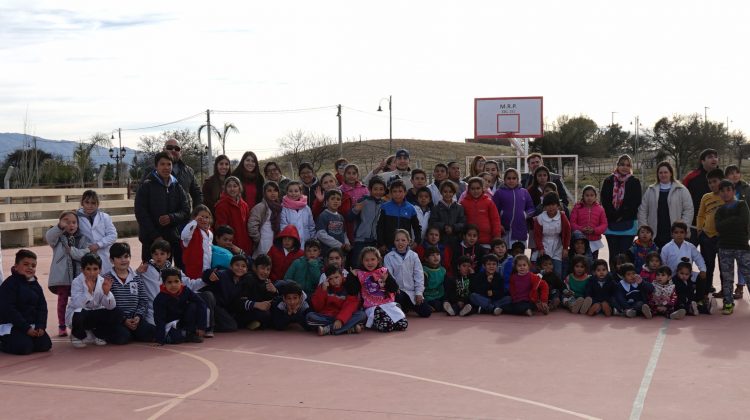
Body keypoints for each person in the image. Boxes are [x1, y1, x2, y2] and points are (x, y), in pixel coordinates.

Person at [134, 151, 190, 264]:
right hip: (151, 241)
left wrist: (172, 217)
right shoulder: (147, 186)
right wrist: (155, 236)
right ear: (156, 166)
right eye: (162, 164)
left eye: (169, 164)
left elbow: (186, 210)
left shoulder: (177, 186)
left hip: (171, 239)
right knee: (151, 276)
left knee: (171, 276)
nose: (166, 167)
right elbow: (141, 213)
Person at [46, 210, 91, 337]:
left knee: (79, 301)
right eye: (67, 222)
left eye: (74, 222)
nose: (71, 225)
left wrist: (72, 251)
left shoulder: (82, 238)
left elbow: (85, 253)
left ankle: (78, 325)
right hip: (63, 276)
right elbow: (49, 236)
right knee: (62, 301)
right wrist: (59, 227)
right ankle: (61, 325)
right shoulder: (57, 238)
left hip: (78, 275)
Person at [0, 250, 52, 355]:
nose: (30, 268)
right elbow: (9, 310)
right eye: (26, 264)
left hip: (31, 325)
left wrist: (40, 326)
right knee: (24, 348)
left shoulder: (35, 285)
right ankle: (2, 341)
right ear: (16, 266)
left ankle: (26, 338)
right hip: (13, 325)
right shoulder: (9, 284)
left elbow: (42, 307)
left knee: (44, 345)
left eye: (33, 265)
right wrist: (26, 328)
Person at [345, 247, 406, 332]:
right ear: (362, 261)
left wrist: (388, 279)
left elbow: (394, 289)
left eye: (373, 259)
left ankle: (386, 320)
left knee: (403, 325)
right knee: (387, 326)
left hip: (388, 304)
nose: (370, 263)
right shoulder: (360, 274)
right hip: (372, 307)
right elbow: (352, 291)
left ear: (378, 260)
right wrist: (352, 276)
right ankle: (374, 322)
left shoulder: (383, 271)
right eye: (366, 260)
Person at [104, 242, 155, 343]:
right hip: (118, 320)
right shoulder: (107, 279)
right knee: (123, 338)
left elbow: (143, 300)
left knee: (151, 332)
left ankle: (133, 332)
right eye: (119, 257)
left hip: (134, 319)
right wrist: (123, 320)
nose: (123, 260)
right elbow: (106, 305)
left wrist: (138, 316)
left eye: (126, 256)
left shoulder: (136, 278)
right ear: (111, 260)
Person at [638, 161, 694, 249]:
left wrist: (682, 229)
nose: (663, 175)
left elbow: (688, 210)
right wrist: (645, 230)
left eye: (665, 172)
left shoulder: (681, 189)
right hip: (655, 235)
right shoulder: (650, 190)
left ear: (671, 173)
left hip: (674, 235)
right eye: (660, 173)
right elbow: (642, 210)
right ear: (657, 174)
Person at [66, 253, 118, 348]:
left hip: (94, 315)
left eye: (95, 269)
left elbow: (111, 306)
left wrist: (107, 293)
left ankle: (99, 334)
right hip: (79, 316)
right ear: (82, 270)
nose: (91, 272)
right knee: (79, 312)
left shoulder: (102, 281)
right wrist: (89, 292)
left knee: (116, 312)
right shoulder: (77, 282)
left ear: (100, 270)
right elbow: (77, 304)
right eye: (88, 269)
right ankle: (76, 335)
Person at [714, 179, 750, 315]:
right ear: (719, 194)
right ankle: (728, 303)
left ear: (734, 191)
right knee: (727, 277)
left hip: (742, 247)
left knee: (748, 275)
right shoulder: (719, 211)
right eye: (722, 191)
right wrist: (733, 222)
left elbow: (744, 221)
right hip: (724, 247)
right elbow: (718, 227)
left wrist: (727, 224)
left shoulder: (741, 205)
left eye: (728, 190)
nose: (725, 193)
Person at [601, 154, 642, 269]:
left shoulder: (635, 181)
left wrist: (621, 215)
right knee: (613, 256)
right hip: (611, 224)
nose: (625, 167)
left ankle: (625, 280)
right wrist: (614, 215)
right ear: (617, 165)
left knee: (625, 257)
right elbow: (605, 201)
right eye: (622, 164)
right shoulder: (608, 181)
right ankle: (614, 280)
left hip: (628, 224)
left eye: (628, 165)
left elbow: (635, 202)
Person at [152, 267, 207, 345]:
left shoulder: (185, 290)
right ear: (164, 284)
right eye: (169, 282)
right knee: (176, 339)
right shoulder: (160, 299)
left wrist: (201, 327)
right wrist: (159, 339)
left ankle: (190, 332)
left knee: (193, 305)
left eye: (176, 281)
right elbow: (159, 320)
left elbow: (201, 303)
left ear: (181, 282)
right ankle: (176, 335)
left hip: (183, 321)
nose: (173, 285)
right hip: (170, 323)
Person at [384, 229, 431, 318]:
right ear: (394, 241)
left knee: (426, 312)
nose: (400, 243)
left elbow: (419, 275)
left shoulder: (414, 256)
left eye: (403, 240)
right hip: (398, 292)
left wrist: (418, 293)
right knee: (399, 297)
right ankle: (403, 307)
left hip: (412, 291)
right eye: (397, 240)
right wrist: (395, 288)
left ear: (409, 241)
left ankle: (407, 307)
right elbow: (389, 275)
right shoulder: (388, 257)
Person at [307, 265, 365, 335]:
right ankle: (348, 328)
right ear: (327, 279)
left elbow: (350, 305)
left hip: (344, 315)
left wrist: (340, 320)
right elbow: (318, 308)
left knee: (361, 315)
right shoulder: (324, 286)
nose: (334, 281)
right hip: (328, 316)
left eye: (336, 277)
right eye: (331, 279)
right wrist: (323, 291)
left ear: (342, 275)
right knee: (310, 317)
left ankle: (328, 329)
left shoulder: (348, 285)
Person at [695, 168, 725, 297]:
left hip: (723, 238)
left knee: (724, 267)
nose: (712, 185)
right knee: (707, 266)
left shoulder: (727, 196)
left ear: (722, 181)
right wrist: (699, 230)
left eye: (715, 181)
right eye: (710, 182)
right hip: (707, 237)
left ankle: (725, 291)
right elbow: (700, 215)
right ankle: (705, 292)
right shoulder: (706, 197)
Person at [682, 148, 719, 244]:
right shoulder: (691, 177)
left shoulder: (722, 177)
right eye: (710, 157)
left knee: (709, 258)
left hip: (715, 227)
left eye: (716, 157)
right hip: (693, 225)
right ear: (702, 161)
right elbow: (682, 199)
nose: (714, 159)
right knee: (687, 256)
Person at [77, 190, 118, 274]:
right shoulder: (76, 218)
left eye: (93, 203)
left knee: (104, 282)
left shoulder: (105, 217)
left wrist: (99, 244)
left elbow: (113, 235)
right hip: (85, 254)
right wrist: (87, 248)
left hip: (103, 255)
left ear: (97, 204)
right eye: (87, 202)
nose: (90, 206)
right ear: (82, 203)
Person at [349, 176, 387, 268]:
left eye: (381, 189)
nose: (378, 192)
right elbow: (349, 217)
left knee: (372, 266)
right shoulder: (363, 201)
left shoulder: (384, 205)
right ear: (370, 189)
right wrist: (356, 210)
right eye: (375, 189)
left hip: (375, 241)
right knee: (358, 265)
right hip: (360, 240)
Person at [493, 168, 535, 247]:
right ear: (504, 179)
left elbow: (531, 208)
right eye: (509, 178)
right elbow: (493, 211)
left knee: (519, 256)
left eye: (514, 178)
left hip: (520, 230)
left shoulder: (524, 192)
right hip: (505, 231)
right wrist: (498, 224)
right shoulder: (499, 192)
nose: (511, 181)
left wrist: (524, 215)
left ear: (518, 179)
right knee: (506, 256)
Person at [376, 179, 421, 253]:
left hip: (404, 246)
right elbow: (379, 226)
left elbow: (417, 227)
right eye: (394, 191)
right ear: (390, 193)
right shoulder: (385, 207)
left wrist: (417, 242)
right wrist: (381, 244)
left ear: (405, 192)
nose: (397, 194)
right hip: (388, 247)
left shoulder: (410, 208)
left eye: (400, 191)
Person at [725, 164, 750, 297]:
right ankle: (726, 289)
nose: (734, 175)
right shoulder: (723, 189)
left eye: (736, 172)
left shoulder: (747, 189)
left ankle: (740, 287)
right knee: (727, 260)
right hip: (727, 231)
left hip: (742, 231)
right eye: (731, 173)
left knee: (742, 260)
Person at [532, 192, 571, 278]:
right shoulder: (540, 218)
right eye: (548, 205)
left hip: (558, 245)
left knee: (557, 271)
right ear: (545, 207)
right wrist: (540, 248)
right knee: (544, 271)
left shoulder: (562, 217)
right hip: (544, 245)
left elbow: (567, 232)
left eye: (553, 205)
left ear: (558, 205)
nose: (551, 207)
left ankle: (557, 289)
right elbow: (537, 235)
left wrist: (565, 248)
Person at [660, 222, 707, 287]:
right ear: (672, 234)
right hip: (672, 277)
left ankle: (699, 296)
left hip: (687, 276)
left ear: (686, 234)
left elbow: (699, 259)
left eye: (682, 232)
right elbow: (663, 263)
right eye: (676, 232)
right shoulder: (666, 248)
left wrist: (702, 269)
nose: (679, 235)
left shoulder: (690, 247)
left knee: (701, 276)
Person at [213, 176, 252, 255]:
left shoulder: (244, 205)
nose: (232, 189)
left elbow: (248, 225)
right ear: (225, 188)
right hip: (230, 244)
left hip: (245, 243)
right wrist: (229, 244)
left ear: (239, 188)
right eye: (229, 186)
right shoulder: (221, 205)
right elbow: (221, 227)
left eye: (235, 186)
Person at [461, 177, 502, 247]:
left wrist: (496, 237)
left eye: (478, 188)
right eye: (472, 189)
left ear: (482, 188)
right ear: (468, 189)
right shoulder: (463, 203)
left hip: (486, 241)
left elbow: (495, 220)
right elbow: (461, 220)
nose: (475, 191)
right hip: (469, 241)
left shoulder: (489, 202)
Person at [163, 138, 203, 209]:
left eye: (177, 148)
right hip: (160, 219)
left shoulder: (189, 171)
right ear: (163, 150)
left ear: (180, 152)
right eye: (169, 148)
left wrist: (197, 213)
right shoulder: (152, 170)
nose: (173, 150)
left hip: (184, 217)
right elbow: (142, 199)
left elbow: (197, 194)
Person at [569, 185, 607, 259]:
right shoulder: (577, 208)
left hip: (595, 241)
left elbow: (604, 224)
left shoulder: (600, 209)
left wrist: (594, 230)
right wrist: (581, 229)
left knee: (593, 262)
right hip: (580, 242)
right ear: (583, 196)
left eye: (592, 195)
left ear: (595, 196)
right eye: (587, 195)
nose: (589, 197)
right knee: (580, 261)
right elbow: (572, 223)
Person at [248, 181, 282, 258]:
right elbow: (252, 225)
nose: (273, 193)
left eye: (275, 190)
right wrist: (258, 239)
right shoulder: (260, 207)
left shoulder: (279, 206)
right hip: (263, 241)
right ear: (264, 193)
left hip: (275, 240)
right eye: (269, 191)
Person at [180, 205, 214, 279]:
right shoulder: (192, 231)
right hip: (193, 270)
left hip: (206, 269)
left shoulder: (210, 233)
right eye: (201, 217)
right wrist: (194, 222)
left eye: (207, 217)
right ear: (195, 217)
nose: (204, 220)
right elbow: (184, 236)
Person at [280, 181, 315, 249]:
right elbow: (283, 226)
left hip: (306, 242)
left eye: (296, 191)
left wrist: (313, 240)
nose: (293, 193)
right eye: (290, 191)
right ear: (286, 192)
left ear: (300, 192)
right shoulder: (284, 208)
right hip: (291, 243)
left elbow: (311, 226)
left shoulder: (306, 208)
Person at [429, 180, 466, 246]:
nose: (448, 194)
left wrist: (453, 228)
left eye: (450, 192)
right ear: (441, 192)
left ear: (454, 192)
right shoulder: (436, 208)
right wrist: (444, 226)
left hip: (456, 241)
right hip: (441, 241)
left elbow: (462, 223)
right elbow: (432, 222)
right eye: (445, 192)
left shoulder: (459, 208)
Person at [315, 189, 351, 255]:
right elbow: (321, 235)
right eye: (332, 199)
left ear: (340, 202)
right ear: (326, 201)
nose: (335, 201)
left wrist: (347, 243)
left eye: (338, 199)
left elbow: (344, 234)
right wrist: (339, 245)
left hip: (341, 253)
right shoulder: (323, 215)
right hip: (328, 252)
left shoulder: (341, 217)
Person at [422, 247, 447, 312]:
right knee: (437, 305)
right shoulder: (424, 271)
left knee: (448, 300)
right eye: (432, 255)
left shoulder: (443, 270)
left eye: (438, 254)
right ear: (426, 259)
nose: (436, 257)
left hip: (440, 295)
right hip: (429, 296)